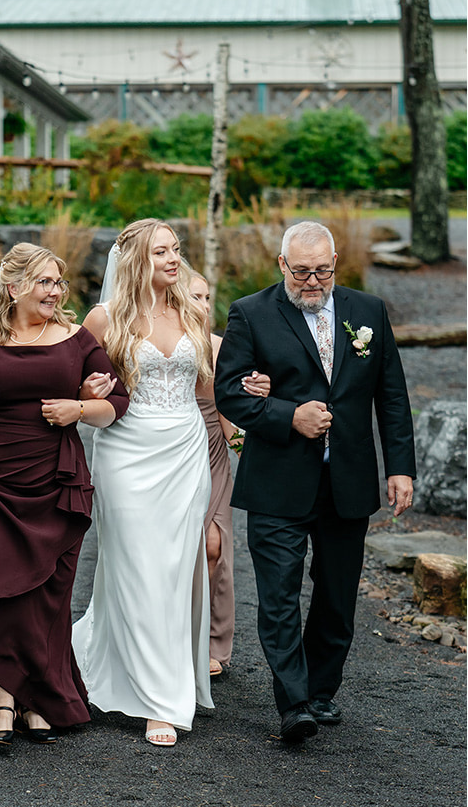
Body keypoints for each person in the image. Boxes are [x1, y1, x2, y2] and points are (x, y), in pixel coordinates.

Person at [0, 242, 129, 746]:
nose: (55, 292)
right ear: (13, 287)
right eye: (44, 283)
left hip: (57, 481)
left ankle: (36, 698)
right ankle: (3, 699)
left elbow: (116, 399)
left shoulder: (78, 341)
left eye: (59, 283)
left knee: (45, 596)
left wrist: (81, 409)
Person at [214, 220, 417, 742]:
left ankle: (322, 690)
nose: (312, 281)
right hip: (277, 482)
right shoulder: (251, 313)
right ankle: (295, 702)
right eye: (301, 271)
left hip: (347, 480)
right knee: (279, 596)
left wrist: (399, 467)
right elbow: (231, 393)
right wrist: (287, 416)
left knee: (336, 597)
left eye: (322, 271)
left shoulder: (367, 312)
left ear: (335, 267)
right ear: (282, 265)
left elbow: (390, 393)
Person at [71, 218, 215, 748]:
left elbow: (207, 383)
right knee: (133, 566)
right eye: (160, 252)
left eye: (176, 249)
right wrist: (91, 385)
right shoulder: (105, 317)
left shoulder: (191, 310)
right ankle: (156, 698)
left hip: (183, 448)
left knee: (175, 568)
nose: (173, 259)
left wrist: (251, 384)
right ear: (135, 260)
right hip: (127, 452)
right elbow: (77, 385)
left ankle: (162, 686)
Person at [186, 270, 263, 677]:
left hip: (212, 448)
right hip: (170, 450)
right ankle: (177, 634)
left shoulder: (221, 347)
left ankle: (214, 639)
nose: (204, 305)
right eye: (194, 296)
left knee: (215, 544)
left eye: (207, 296)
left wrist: (242, 446)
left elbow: (229, 409)